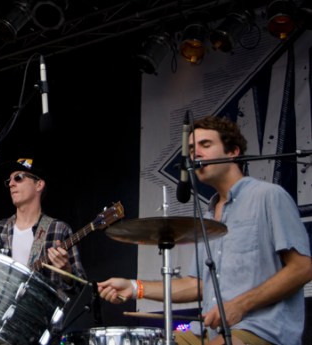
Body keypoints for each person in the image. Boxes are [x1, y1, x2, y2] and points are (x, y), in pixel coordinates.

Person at [98, 115, 312, 345]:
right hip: (209, 333)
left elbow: (303, 268)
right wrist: (134, 287)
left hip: (262, 330)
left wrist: (240, 305)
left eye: (205, 145)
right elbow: (198, 285)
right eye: (191, 149)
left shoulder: (268, 196)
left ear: (233, 152)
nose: (195, 154)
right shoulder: (208, 217)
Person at [0, 157, 86, 293]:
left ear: (39, 185)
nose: (11, 184)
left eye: (18, 178)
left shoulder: (59, 229)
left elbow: (80, 286)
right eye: (9, 180)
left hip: (38, 306)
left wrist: (67, 271)